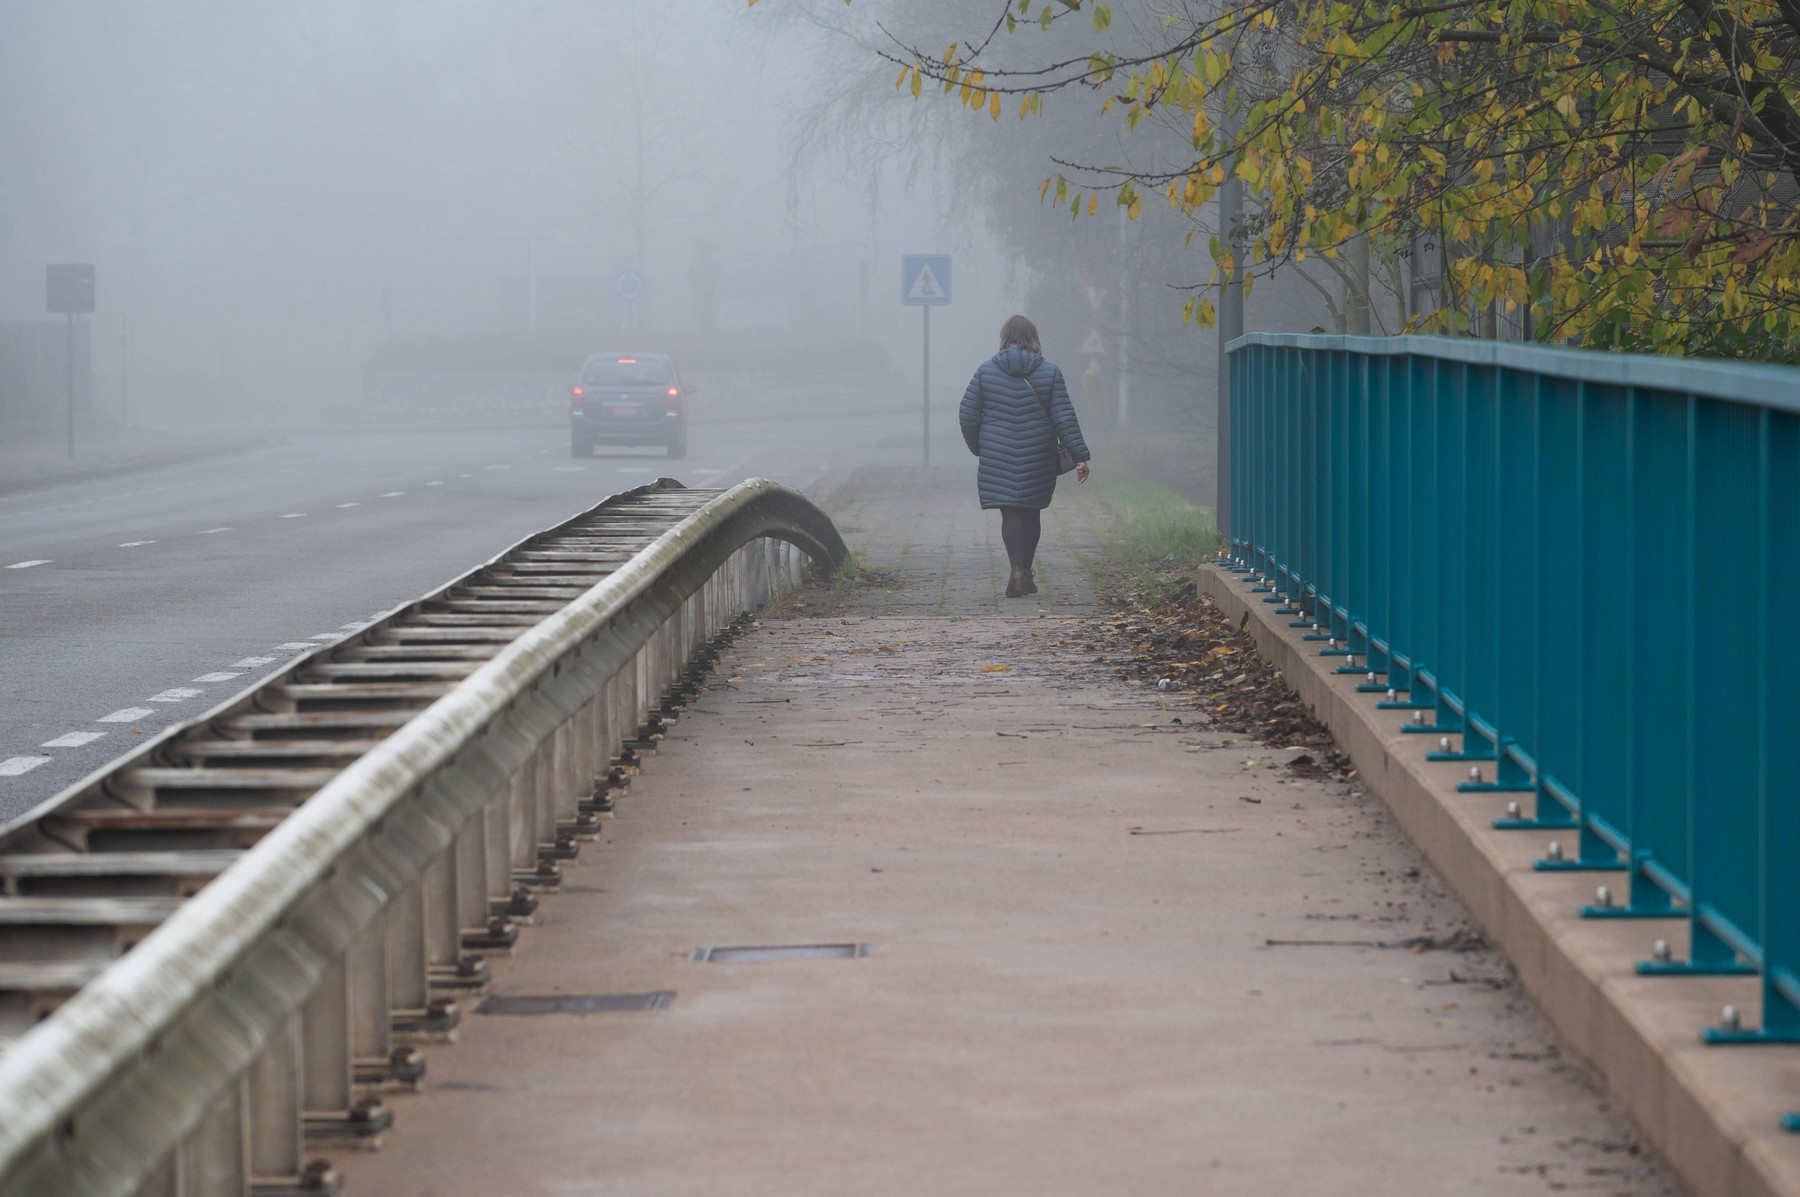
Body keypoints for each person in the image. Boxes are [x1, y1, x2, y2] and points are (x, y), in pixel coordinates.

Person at [958, 315, 1093, 598]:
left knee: (1011, 510)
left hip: (998, 453)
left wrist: (979, 446)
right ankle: (1025, 572)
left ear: (1004, 338)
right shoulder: (1050, 372)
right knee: (1031, 510)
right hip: (1038, 452)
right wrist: (1079, 456)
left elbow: (968, 415)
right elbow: (1064, 417)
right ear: (1034, 338)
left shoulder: (985, 371)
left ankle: (1018, 570)